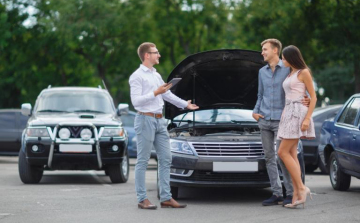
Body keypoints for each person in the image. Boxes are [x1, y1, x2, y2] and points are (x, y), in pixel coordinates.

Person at [129, 42, 199, 210]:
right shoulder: (136, 76)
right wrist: (156, 92)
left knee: (166, 159)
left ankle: (166, 197)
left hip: (160, 120)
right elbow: (136, 102)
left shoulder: (155, 75)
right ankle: (142, 199)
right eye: (156, 52)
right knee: (143, 161)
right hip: (145, 119)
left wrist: (185, 104)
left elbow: (167, 94)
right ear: (147, 55)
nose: (159, 55)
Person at [253, 39, 309, 206]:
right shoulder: (261, 72)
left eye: (265, 49)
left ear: (275, 50)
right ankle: (276, 193)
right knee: (269, 157)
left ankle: (291, 192)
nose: (262, 52)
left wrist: (306, 100)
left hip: (283, 120)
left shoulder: (287, 69)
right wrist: (255, 111)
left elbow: (300, 87)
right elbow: (260, 95)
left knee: (282, 157)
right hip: (264, 120)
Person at [277, 45, 316, 208]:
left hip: (298, 113)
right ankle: (296, 195)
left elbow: (313, 98)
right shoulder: (290, 73)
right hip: (288, 112)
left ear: (292, 58)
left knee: (282, 152)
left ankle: (301, 187)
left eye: (284, 58)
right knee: (291, 152)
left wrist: (307, 118)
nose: (282, 60)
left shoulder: (303, 72)